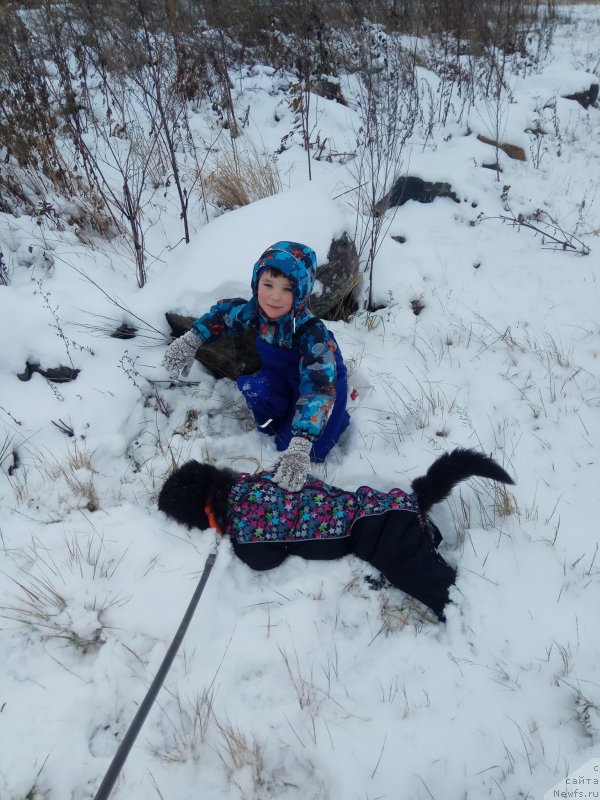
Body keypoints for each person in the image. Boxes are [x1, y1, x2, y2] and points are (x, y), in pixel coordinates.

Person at [157, 448, 515, 621]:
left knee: (441, 593)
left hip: (376, 531)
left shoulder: (247, 529)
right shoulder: (255, 482)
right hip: (375, 509)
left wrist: (233, 538)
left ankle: (477, 618)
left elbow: (266, 559)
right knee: (399, 523)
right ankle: (421, 524)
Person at [162, 241, 350, 492]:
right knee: (262, 406)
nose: (274, 296)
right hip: (281, 379)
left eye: (287, 289)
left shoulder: (311, 333)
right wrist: (192, 339)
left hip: (322, 387)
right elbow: (222, 315)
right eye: (268, 285)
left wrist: (301, 444)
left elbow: (318, 386)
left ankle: (336, 421)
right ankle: (283, 419)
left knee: (301, 450)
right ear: (256, 283)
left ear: (301, 292)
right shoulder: (253, 313)